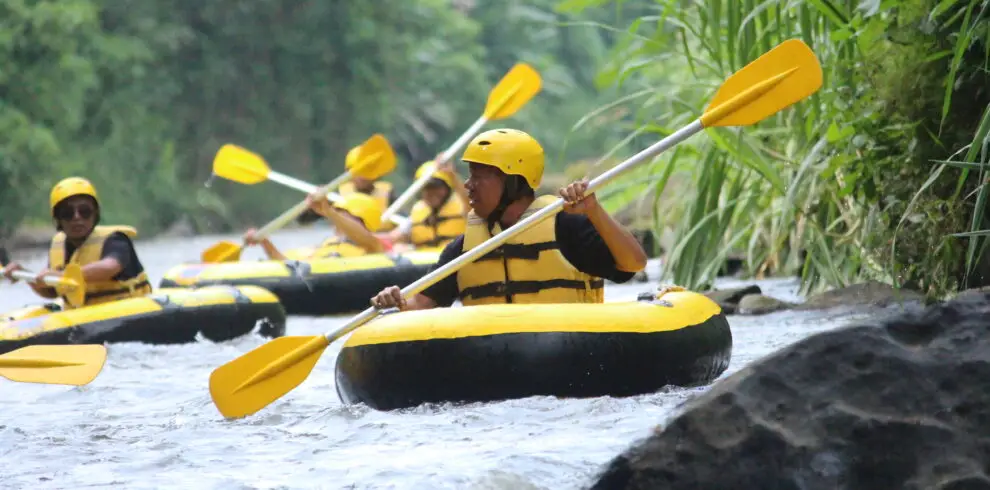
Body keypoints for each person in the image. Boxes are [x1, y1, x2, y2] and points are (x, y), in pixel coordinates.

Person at [369, 128, 648, 311]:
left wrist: (594, 211)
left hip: (566, 350)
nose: (468, 185)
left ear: (514, 182)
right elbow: (421, 303)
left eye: (478, 176)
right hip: (496, 357)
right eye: (469, 176)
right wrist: (396, 302)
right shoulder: (465, 248)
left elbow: (634, 263)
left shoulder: (566, 227)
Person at [1, 177, 152, 309]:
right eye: (67, 213)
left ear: (95, 214)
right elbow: (52, 292)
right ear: (58, 219)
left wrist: (61, 275)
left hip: (127, 309)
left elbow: (109, 267)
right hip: (82, 315)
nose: (77, 218)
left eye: (85, 211)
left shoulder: (115, 240)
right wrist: (27, 276)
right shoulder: (59, 246)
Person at [244, 191, 386, 260]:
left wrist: (329, 211)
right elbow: (286, 264)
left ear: (360, 220)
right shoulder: (326, 245)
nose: (336, 218)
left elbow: (364, 237)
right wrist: (265, 242)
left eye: (343, 213)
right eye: (337, 212)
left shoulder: (372, 246)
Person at [380, 158, 470, 251]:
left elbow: (469, 202)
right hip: (427, 260)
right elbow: (392, 238)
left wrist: (452, 176)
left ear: (447, 188)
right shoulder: (417, 213)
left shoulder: (462, 207)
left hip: (458, 258)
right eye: (427, 188)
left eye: (436, 187)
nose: (432, 193)